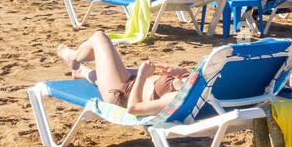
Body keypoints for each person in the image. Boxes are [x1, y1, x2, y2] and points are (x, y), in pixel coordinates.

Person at [56, 31, 192, 114]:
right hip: (134, 80)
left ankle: (73, 59)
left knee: (100, 37)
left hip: (121, 91)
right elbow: (187, 79)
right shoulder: (202, 87)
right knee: (107, 63)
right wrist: (180, 72)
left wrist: (142, 77)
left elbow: (133, 108)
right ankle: (82, 71)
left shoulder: (175, 100)